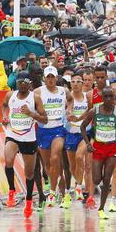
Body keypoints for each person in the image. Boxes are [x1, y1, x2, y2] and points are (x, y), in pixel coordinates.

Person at [80, 85, 116, 222]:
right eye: (106, 96)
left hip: (112, 148)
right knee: (97, 179)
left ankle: (101, 208)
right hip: (98, 148)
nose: (109, 99)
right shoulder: (94, 111)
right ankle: (101, 184)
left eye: (111, 97)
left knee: (107, 178)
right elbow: (83, 126)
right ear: (102, 98)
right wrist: (88, 143)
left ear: (114, 98)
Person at [1, 71, 48, 218]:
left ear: (30, 84)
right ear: (16, 82)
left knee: (29, 173)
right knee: (8, 159)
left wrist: (31, 113)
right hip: (13, 134)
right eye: (20, 82)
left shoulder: (35, 98)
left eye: (25, 82)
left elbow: (45, 119)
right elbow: (4, 105)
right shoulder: (10, 95)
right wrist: (4, 116)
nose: (22, 85)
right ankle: (11, 191)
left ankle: (28, 201)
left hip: (28, 138)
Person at [36, 65, 70, 208]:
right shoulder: (38, 92)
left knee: (55, 157)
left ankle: (52, 192)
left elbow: (71, 100)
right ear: (44, 78)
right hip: (43, 130)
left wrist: (69, 111)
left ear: (57, 78)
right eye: (48, 77)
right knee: (49, 166)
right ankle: (61, 191)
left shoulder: (64, 91)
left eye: (52, 77)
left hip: (59, 129)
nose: (50, 79)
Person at [63, 71, 91, 208]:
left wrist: (79, 118)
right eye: (73, 82)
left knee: (80, 157)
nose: (75, 84)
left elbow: (91, 111)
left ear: (82, 83)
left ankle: (79, 187)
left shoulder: (87, 97)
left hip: (85, 132)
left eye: (78, 81)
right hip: (70, 132)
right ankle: (77, 182)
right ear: (70, 84)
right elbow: (65, 111)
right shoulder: (67, 98)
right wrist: (68, 114)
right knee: (72, 165)